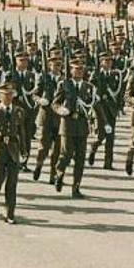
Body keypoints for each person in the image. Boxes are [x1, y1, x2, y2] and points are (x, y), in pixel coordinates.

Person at [0, 83, 27, 224]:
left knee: (12, 184)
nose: (7, 98)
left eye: (10, 95)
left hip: (13, 149)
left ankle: (9, 213)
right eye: (4, 95)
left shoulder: (19, 111)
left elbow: (22, 132)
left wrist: (24, 150)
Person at [53, 61, 93, 198]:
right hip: (67, 125)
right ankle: (59, 173)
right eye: (76, 69)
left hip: (82, 126)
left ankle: (76, 187)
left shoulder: (88, 87)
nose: (79, 71)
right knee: (66, 155)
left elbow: (92, 104)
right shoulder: (64, 85)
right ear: (71, 70)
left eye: (81, 69)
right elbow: (55, 103)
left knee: (80, 159)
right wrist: (61, 110)